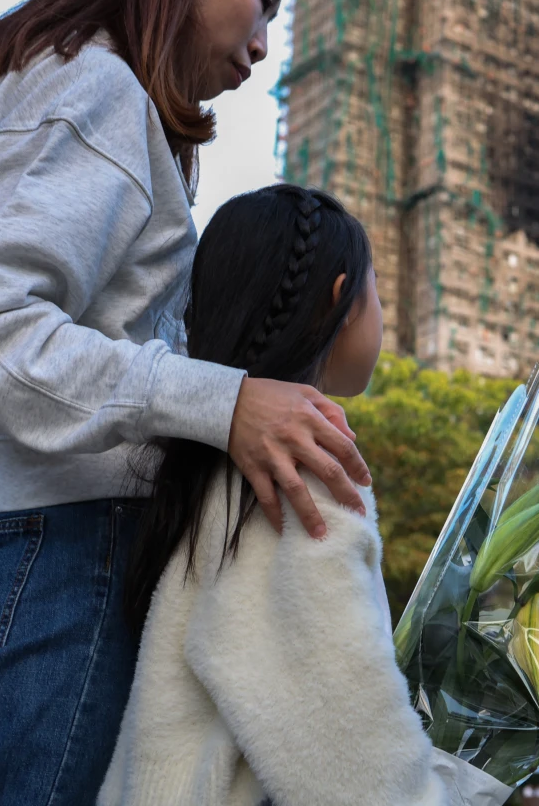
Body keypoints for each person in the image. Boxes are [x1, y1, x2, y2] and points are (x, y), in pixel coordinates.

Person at [0, 0, 373, 806]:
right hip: (64, 562)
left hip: (52, 557)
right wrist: (224, 400)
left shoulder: (91, 93)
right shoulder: (96, 88)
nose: (263, 45)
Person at [99, 185, 484, 806]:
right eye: (376, 286)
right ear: (340, 300)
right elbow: (349, 744)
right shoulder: (299, 479)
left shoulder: (202, 467)